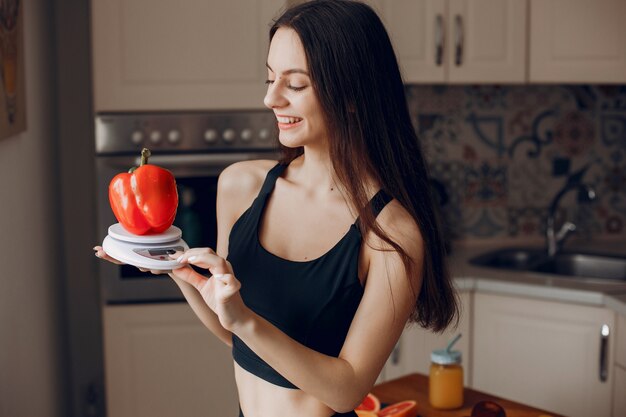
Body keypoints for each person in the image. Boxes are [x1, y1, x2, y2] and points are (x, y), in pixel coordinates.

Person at [94, 1, 459, 416]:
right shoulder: (241, 186)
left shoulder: (391, 234)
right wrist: (177, 269)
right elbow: (236, 336)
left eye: (295, 85)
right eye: (270, 78)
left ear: (354, 95)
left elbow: (346, 390)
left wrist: (245, 319)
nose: (270, 98)